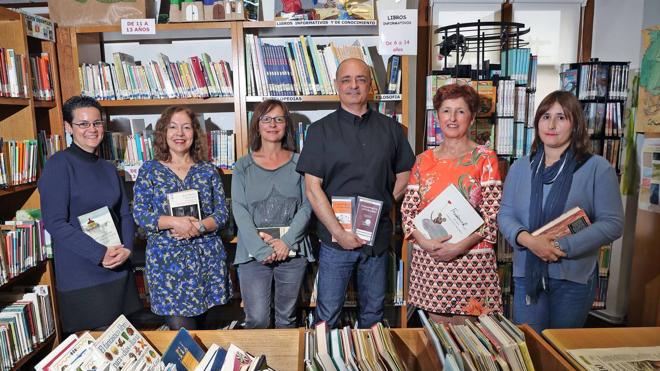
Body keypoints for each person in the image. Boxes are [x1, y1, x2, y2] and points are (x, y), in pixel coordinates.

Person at [296, 58, 415, 329]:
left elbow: (406, 174)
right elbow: (313, 189)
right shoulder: (319, 131)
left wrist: (383, 206)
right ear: (337, 85)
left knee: (373, 314)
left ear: (370, 85)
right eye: (346, 80)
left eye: (360, 79)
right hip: (334, 242)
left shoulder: (392, 130)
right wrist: (339, 232)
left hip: (377, 239)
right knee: (327, 316)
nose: (353, 85)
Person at [497, 90, 624, 333]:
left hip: (573, 278)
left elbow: (612, 223)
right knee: (530, 347)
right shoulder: (520, 167)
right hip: (527, 275)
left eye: (562, 117)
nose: (552, 124)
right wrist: (530, 241)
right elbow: (505, 215)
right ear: (537, 123)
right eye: (545, 117)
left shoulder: (597, 168)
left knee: (560, 351)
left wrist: (561, 247)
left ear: (575, 124)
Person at [401, 84, 503, 324]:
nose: (453, 118)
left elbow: (492, 214)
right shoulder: (423, 160)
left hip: (472, 259)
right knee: (439, 340)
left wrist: (458, 248)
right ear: (437, 116)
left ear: (473, 116)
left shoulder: (485, 158)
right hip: (432, 259)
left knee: (471, 340)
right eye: (446, 111)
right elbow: (408, 211)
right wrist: (425, 243)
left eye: (460, 111)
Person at [38, 95, 141, 334]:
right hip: (83, 276)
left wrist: (127, 248)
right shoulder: (58, 165)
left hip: (118, 269)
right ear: (68, 127)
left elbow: (124, 213)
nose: (91, 129)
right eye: (83, 124)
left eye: (96, 123)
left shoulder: (107, 167)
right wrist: (99, 253)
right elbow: (54, 223)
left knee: (125, 349)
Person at [133, 105, 232, 330]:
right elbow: (140, 213)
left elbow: (222, 213)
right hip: (168, 266)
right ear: (163, 133)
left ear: (194, 134)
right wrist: (174, 222)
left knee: (206, 335)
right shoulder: (149, 170)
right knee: (185, 336)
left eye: (186, 127)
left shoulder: (207, 170)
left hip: (207, 263)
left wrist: (200, 226)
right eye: (173, 127)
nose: (180, 133)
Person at [232, 99, 314, 329]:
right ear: (257, 125)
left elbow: (308, 205)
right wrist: (260, 249)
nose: (272, 124)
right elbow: (238, 208)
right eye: (266, 119)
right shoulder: (242, 166)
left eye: (279, 119)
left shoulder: (301, 162)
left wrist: (286, 242)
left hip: (291, 251)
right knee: (257, 319)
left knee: (286, 319)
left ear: (286, 125)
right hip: (253, 253)